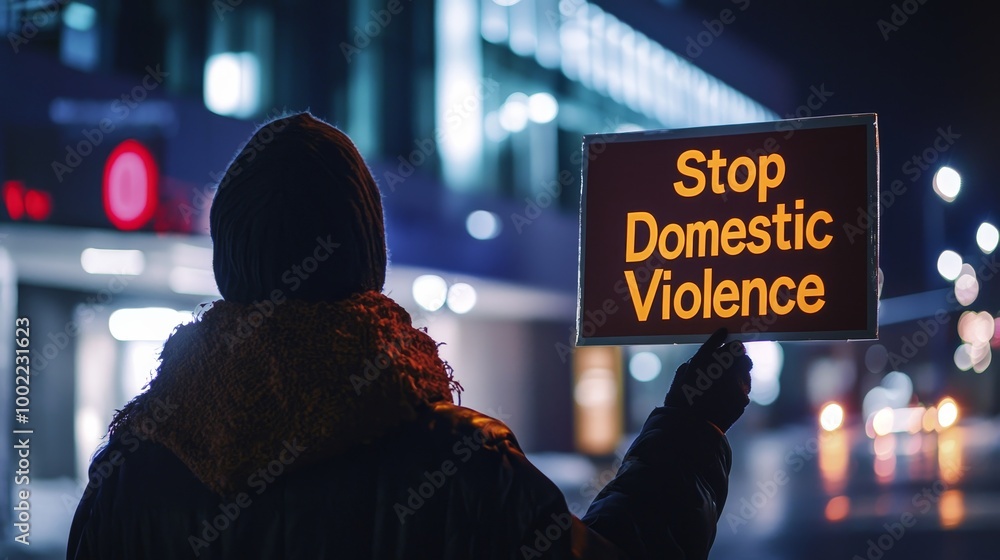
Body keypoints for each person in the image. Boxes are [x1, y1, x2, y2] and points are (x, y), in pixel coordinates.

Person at [67, 112, 753, 559]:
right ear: (367, 261)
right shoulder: (460, 467)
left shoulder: (130, 476)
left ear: (229, 264)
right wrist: (692, 425)